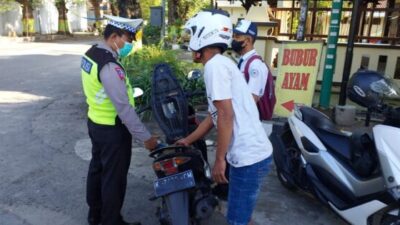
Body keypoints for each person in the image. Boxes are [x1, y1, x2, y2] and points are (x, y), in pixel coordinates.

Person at [177, 10, 273, 225]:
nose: (190, 40)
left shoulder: (215, 67)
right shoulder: (222, 63)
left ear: (203, 35)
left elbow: (225, 115)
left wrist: (219, 160)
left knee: (236, 219)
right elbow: (213, 116)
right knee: (241, 215)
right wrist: (188, 140)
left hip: (248, 157)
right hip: (252, 155)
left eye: (192, 33)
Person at [81, 15, 158, 225]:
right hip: (113, 131)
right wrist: (146, 138)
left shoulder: (91, 54)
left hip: (95, 122)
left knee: (97, 170)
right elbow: (124, 109)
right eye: (128, 38)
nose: (130, 43)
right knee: (113, 179)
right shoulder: (109, 66)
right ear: (114, 36)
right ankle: (110, 221)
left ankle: (95, 215)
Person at [232, 19, 268, 103]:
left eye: (237, 37)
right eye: (233, 36)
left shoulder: (255, 65)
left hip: (250, 115)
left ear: (247, 40)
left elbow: (252, 99)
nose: (233, 40)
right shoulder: (244, 61)